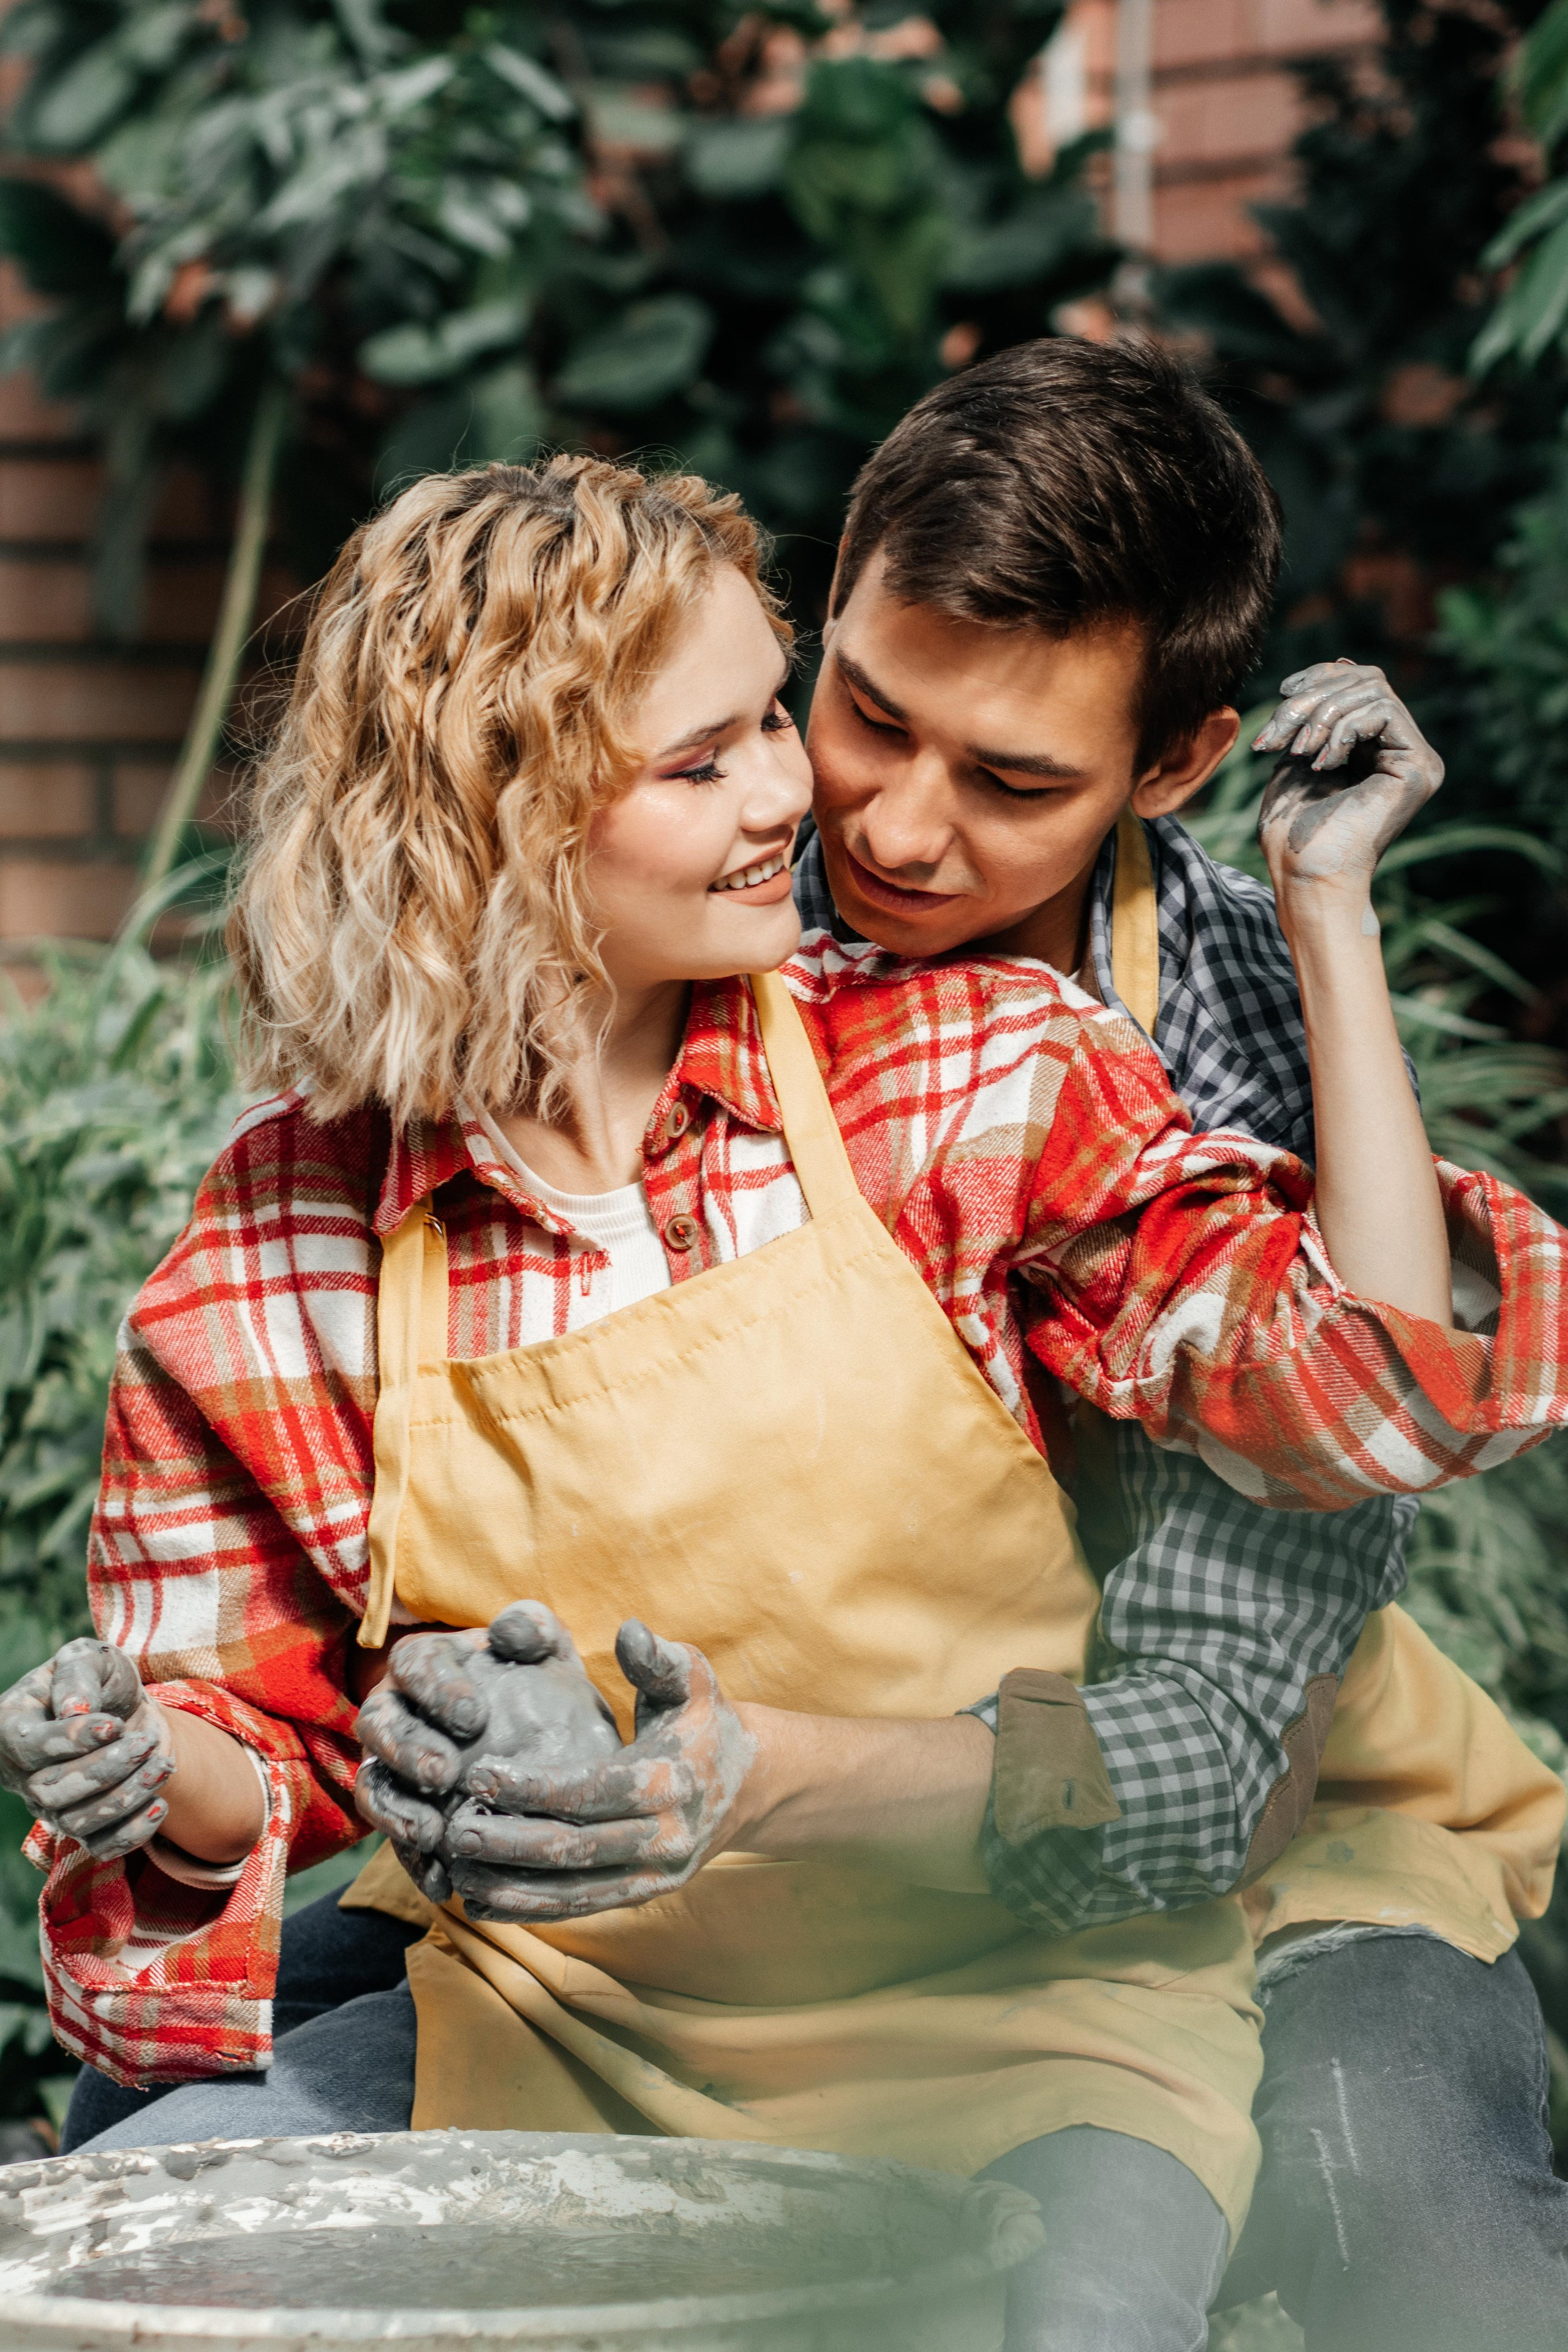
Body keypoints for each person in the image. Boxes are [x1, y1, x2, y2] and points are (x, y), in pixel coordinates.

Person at [3, 451, 1564, 2352]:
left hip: (1021, 1998)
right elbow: (264, 1733)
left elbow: (1359, 1403)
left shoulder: (971, 1069)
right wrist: (141, 1770)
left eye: (766, 724)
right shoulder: (287, 1230)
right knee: (139, 2248)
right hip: (571, 2005)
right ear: (492, 814)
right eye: (717, 754)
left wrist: (1336, 912)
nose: (803, 807)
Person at [786, 334, 1568, 2346]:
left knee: (1407, 2222)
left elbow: (1353, 1434)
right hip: (795, 1819)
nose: (899, 825)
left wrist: (1332, 915)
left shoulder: (1237, 1032)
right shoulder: (706, 912)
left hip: (1260, 1796)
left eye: (1016, 781)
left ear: (1177, 763)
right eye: (868, 714)